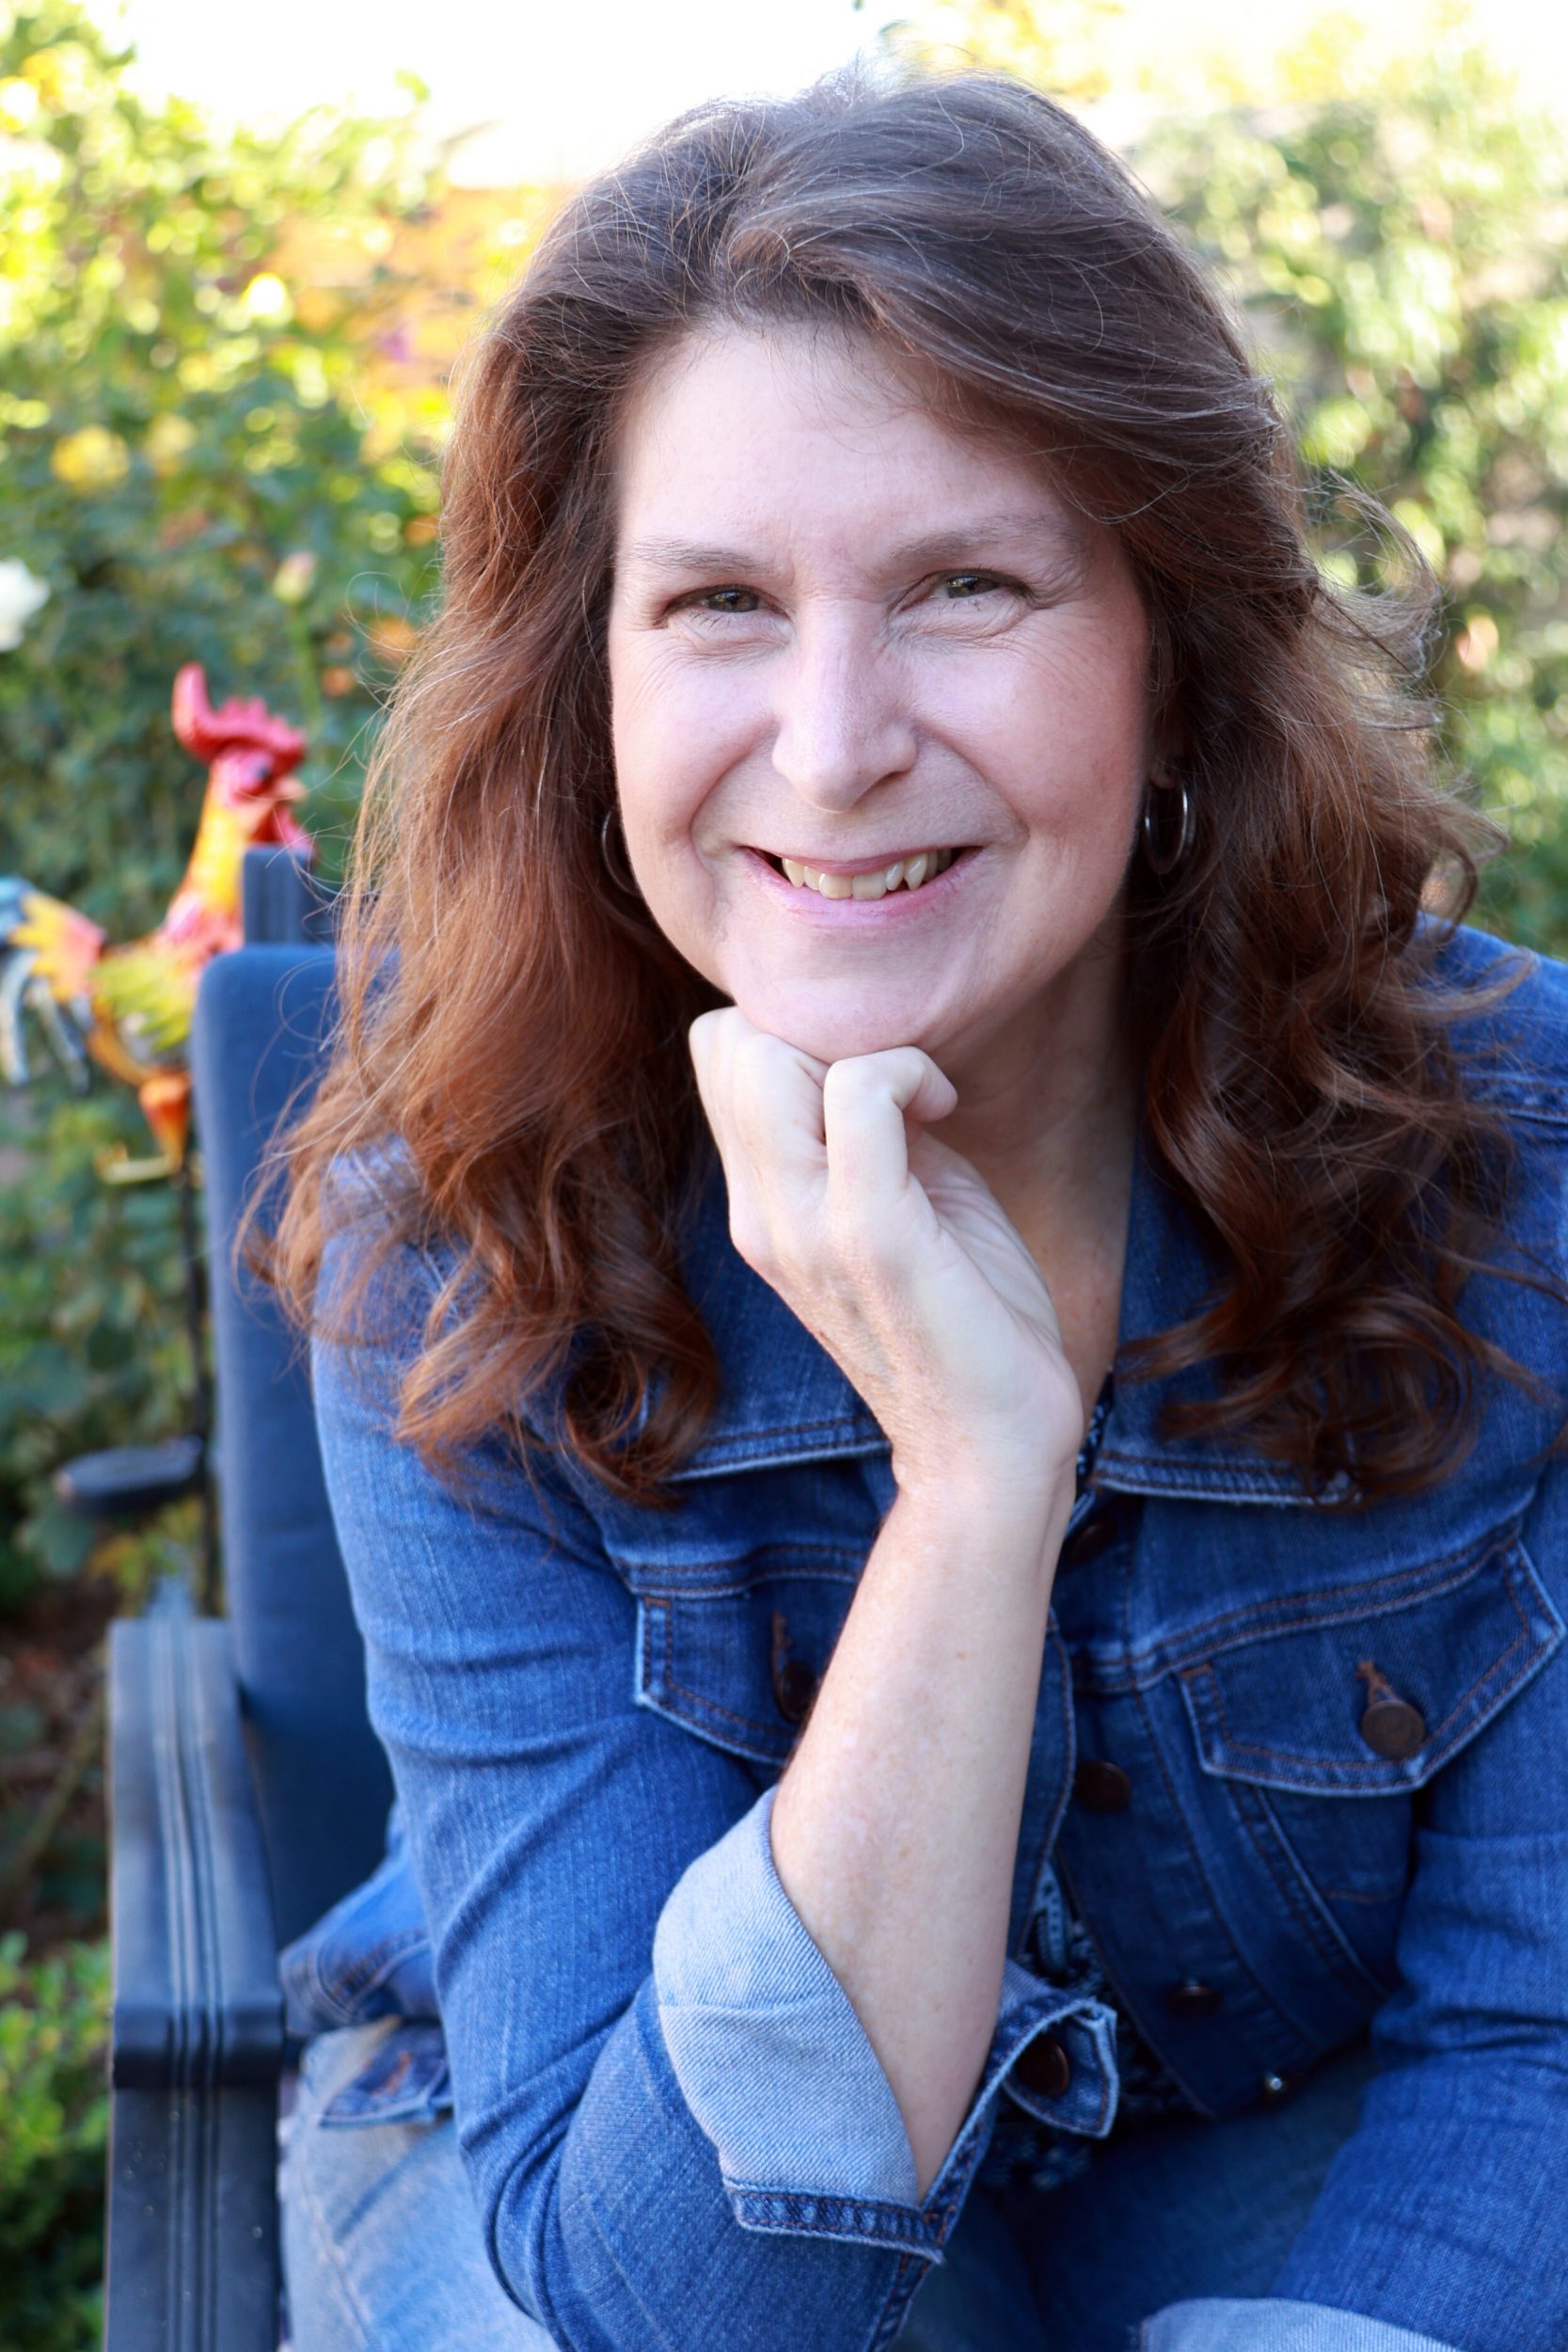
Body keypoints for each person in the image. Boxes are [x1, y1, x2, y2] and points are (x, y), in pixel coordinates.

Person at [264, 64, 1568, 2352]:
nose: (838, 736)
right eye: (721, 605)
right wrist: (975, 1490)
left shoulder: (1523, 1163)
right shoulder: (460, 1245)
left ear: (1173, 661)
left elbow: (1541, 2048)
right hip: (581, 2144)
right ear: (588, 690)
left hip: (1278, 2114)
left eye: (965, 584)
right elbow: (685, 2301)